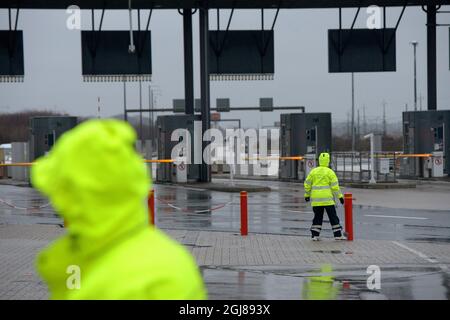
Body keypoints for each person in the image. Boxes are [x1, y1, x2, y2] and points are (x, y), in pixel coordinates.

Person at [31, 119, 206, 299]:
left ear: (74, 193)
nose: (55, 199)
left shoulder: (152, 277)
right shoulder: (167, 262)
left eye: (60, 188)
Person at [304, 152, 346, 241]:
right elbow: (335, 187)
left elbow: (307, 184)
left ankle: (315, 235)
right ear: (328, 161)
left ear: (319, 161)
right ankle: (338, 235)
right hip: (328, 200)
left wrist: (307, 195)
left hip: (316, 200)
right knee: (333, 217)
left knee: (317, 217)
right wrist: (340, 197)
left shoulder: (313, 171)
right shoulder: (330, 172)